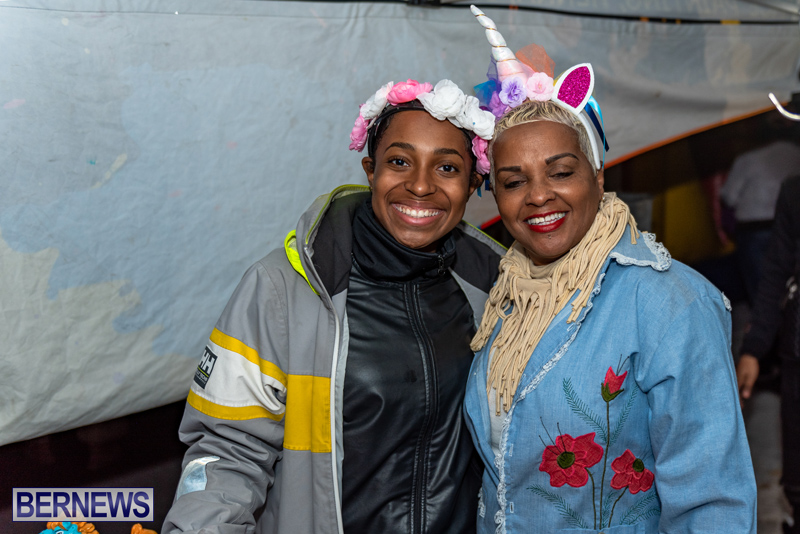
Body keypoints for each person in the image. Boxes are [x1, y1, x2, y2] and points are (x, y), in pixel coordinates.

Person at [161, 78, 504, 534]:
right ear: (370, 169)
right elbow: (228, 452)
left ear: (473, 183)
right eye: (399, 161)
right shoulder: (282, 289)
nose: (420, 186)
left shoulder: (495, 286)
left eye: (446, 168)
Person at [461, 7, 757, 533]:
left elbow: (714, 504)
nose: (538, 196)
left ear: (598, 177)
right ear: (496, 198)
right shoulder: (505, 297)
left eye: (561, 172)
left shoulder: (670, 302)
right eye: (513, 181)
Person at [737, 174, 800, 534]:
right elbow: (775, 272)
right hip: (796, 351)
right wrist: (754, 350)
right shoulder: (793, 190)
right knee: (796, 483)